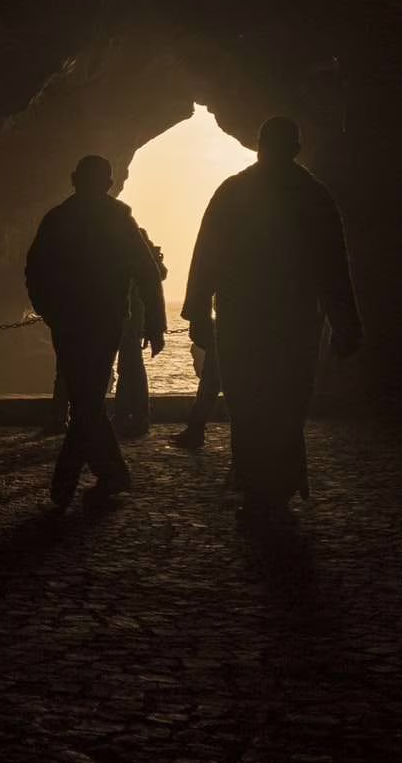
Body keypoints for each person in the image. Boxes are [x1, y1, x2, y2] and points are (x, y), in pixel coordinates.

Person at [182, 116, 362, 523]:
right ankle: (278, 484)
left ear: (260, 145)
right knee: (287, 402)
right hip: (295, 320)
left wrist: (198, 311)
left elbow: (206, 255)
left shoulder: (233, 192)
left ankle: (256, 483)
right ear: (295, 148)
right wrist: (346, 323)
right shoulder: (314, 196)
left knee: (247, 402)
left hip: (242, 317)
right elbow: (333, 268)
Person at [25, 155, 166, 509]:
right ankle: (109, 475)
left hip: (72, 322)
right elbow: (148, 272)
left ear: (74, 179)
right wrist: (154, 322)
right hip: (104, 321)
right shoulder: (118, 219)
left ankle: (76, 477)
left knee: (84, 398)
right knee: (87, 399)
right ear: (108, 183)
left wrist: (49, 310)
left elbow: (35, 270)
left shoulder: (58, 219)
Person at [113, 227, 166, 438]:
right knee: (129, 366)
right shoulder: (135, 242)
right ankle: (127, 415)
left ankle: (134, 416)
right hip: (134, 318)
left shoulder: (124, 243)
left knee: (130, 367)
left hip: (129, 319)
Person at [169, 326, 223, 450]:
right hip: (222, 336)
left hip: (219, 336)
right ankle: (195, 430)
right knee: (210, 383)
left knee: (209, 384)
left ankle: (195, 431)